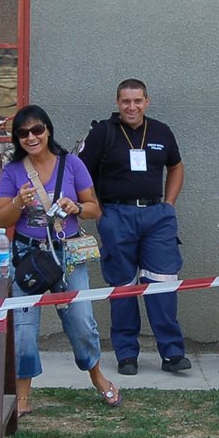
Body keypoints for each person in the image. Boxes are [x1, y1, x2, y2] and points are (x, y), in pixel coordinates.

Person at [0, 104, 121, 413]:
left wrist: (77, 207)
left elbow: (95, 207)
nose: (31, 137)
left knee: (81, 321)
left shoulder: (73, 164)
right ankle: (23, 397)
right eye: (23, 133)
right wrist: (17, 202)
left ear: (48, 130)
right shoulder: (13, 171)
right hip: (27, 255)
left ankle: (98, 378)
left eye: (37, 130)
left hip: (67, 255)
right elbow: (1, 217)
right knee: (23, 327)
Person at [78, 79, 191, 376]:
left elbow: (176, 166)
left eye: (137, 101)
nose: (132, 107)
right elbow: (79, 172)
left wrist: (169, 203)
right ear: (117, 102)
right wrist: (99, 212)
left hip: (157, 215)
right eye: (126, 101)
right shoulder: (103, 132)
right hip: (117, 215)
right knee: (123, 287)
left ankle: (173, 353)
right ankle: (127, 354)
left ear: (147, 101)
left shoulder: (161, 132)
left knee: (163, 283)